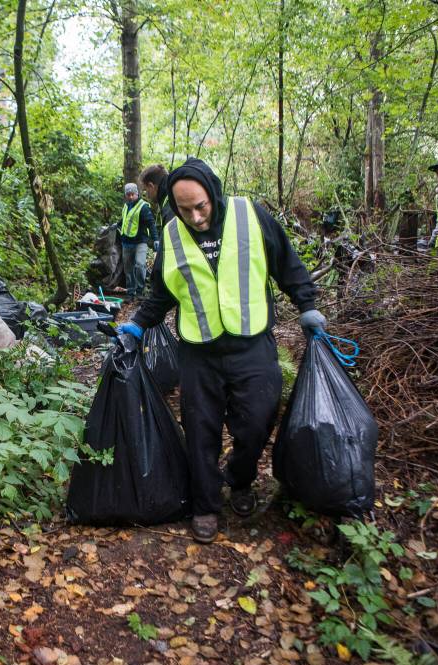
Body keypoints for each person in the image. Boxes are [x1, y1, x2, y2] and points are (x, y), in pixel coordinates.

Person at [117, 158, 326, 543]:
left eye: (201, 206)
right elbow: (163, 292)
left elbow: (287, 263)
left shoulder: (250, 216)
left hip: (253, 345)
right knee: (200, 430)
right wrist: (137, 324)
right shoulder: (172, 234)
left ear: (213, 192)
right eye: (184, 209)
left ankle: (240, 479)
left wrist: (307, 305)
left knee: (259, 420)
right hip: (199, 351)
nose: (195, 217)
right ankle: (206, 504)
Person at [119, 183, 156, 298]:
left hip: (140, 241)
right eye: (128, 194)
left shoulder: (143, 207)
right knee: (128, 269)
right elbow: (125, 219)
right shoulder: (126, 206)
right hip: (126, 242)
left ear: (137, 193)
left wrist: (156, 239)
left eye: (132, 194)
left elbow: (151, 224)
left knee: (140, 265)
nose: (130, 197)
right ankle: (130, 292)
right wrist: (117, 224)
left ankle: (140, 290)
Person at [140, 164, 175, 252]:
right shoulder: (168, 196)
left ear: (151, 186)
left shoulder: (170, 205)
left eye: (145, 190)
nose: (146, 194)